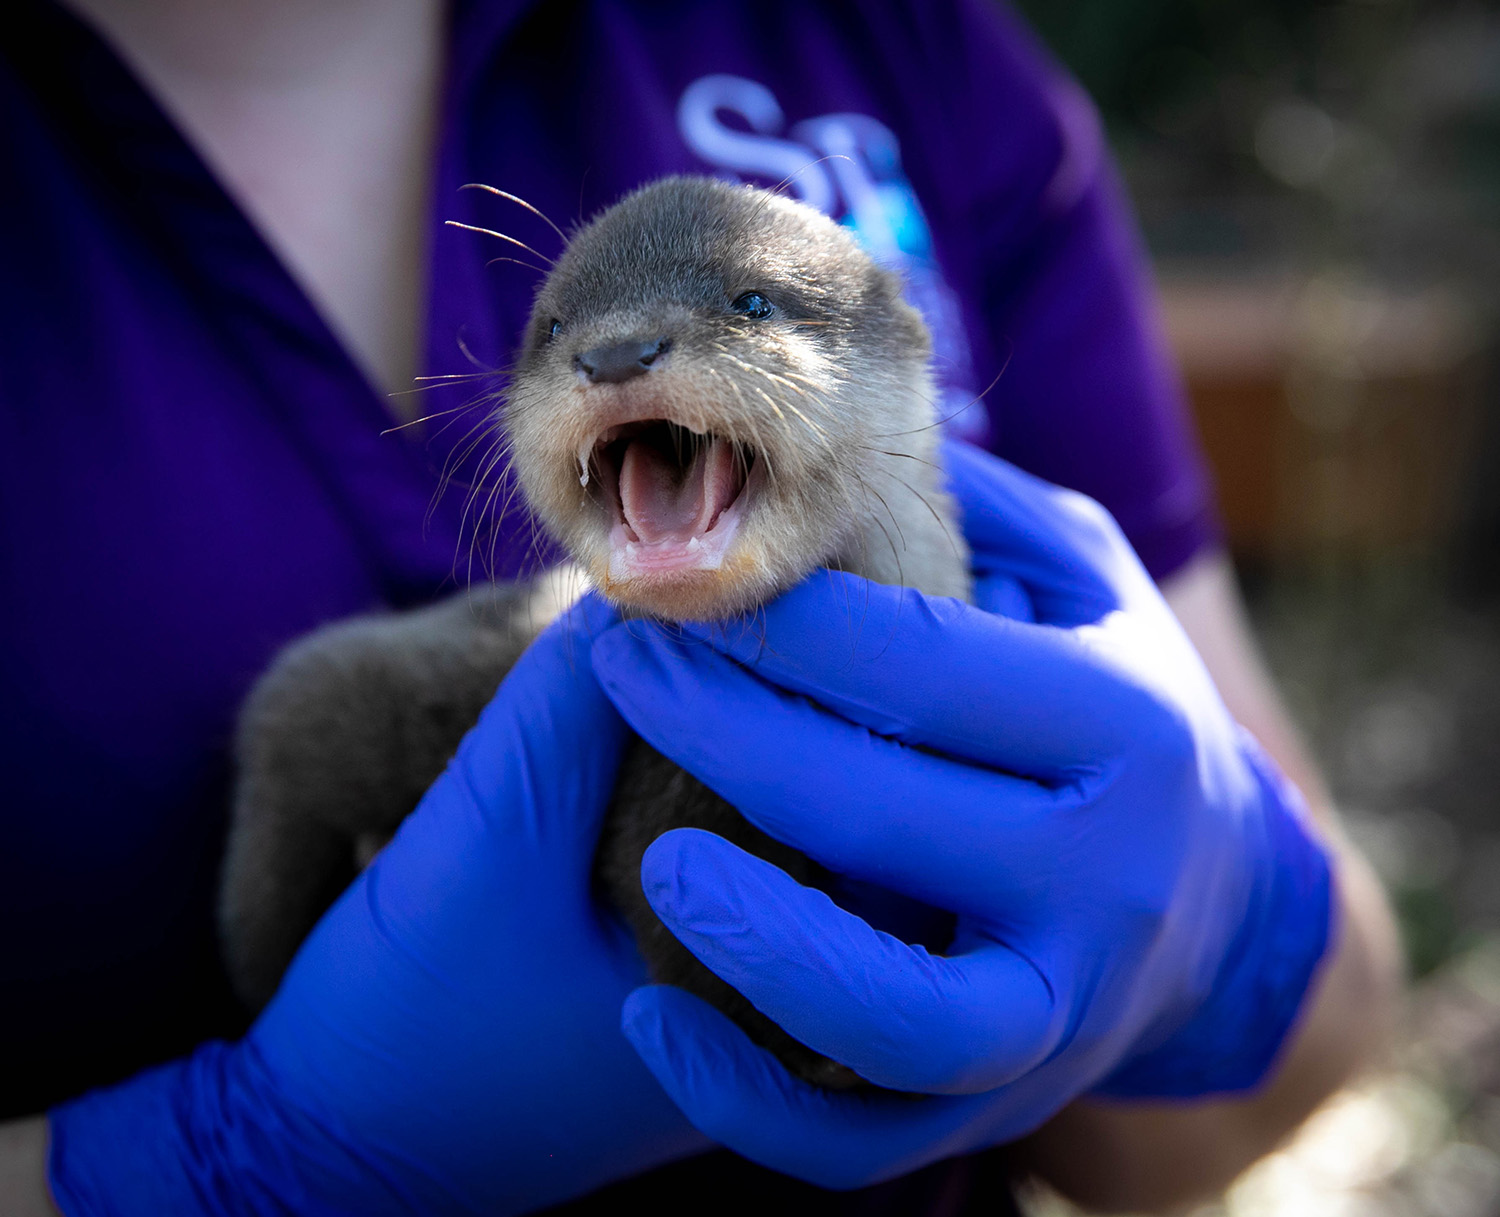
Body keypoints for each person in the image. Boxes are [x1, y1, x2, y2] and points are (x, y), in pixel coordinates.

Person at [0, 0, 1400, 1212]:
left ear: (896, 360)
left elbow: (1272, 1086)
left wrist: (1232, 929)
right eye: (560, 342)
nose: (612, 357)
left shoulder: (885, 33)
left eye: (746, 309)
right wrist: (229, 1172)